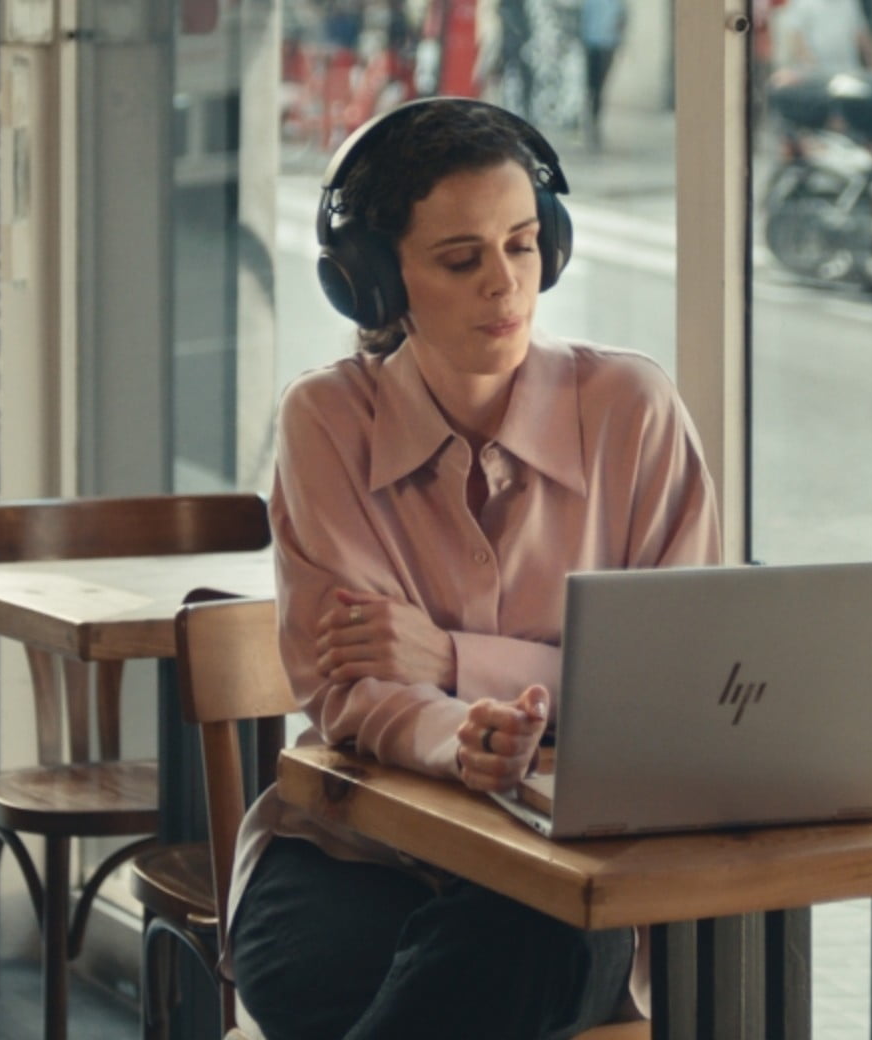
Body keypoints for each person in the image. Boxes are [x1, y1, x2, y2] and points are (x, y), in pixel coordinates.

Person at [227, 98, 719, 1040]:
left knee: (512, 949)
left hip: (570, 869)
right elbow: (349, 684)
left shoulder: (633, 410)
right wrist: (463, 737)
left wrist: (453, 662)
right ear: (376, 282)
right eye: (461, 260)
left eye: (525, 245)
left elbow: (679, 690)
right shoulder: (327, 421)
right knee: (324, 978)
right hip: (357, 847)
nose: (507, 286)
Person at [576, 0, 622, 148]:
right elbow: (582, 20)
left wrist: (617, 40)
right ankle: (590, 119)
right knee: (592, 86)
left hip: (607, 46)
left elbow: (621, 20)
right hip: (592, 46)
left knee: (600, 86)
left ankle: (595, 119)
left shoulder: (615, 3)